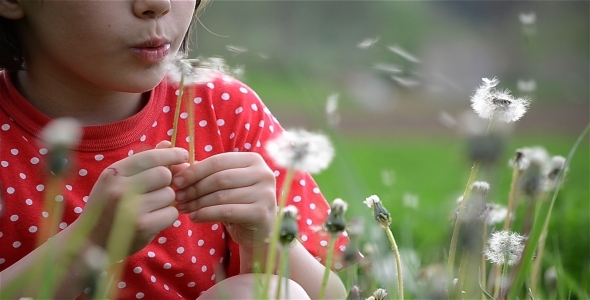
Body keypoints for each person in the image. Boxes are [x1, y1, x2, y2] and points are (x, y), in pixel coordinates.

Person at [0, 0, 351, 299]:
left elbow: (332, 291)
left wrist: (265, 237)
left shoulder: (225, 111)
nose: (157, 3)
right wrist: (86, 245)